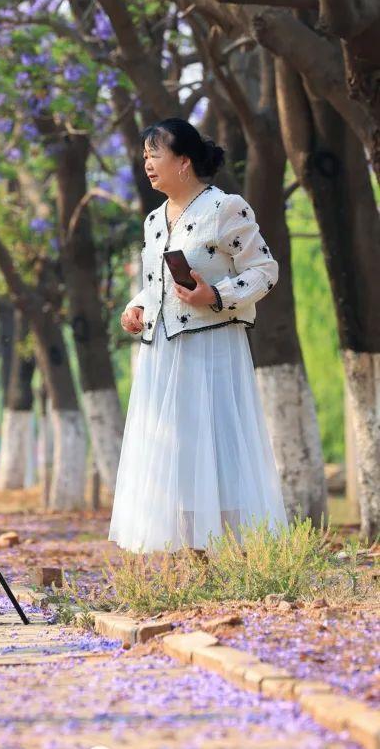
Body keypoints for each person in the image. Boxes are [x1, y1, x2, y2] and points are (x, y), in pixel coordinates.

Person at [109, 117, 287, 553]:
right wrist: (136, 307)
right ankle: (190, 555)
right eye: (145, 155)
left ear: (184, 162)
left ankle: (235, 551)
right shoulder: (153, 219)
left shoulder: (225, 207)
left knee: (218, 449)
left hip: (212, 348)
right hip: (164, 353)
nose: (148, 163)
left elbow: (265, 270)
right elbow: (158, 284)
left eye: (156, 154)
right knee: (176, 453)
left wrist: (218, 295)